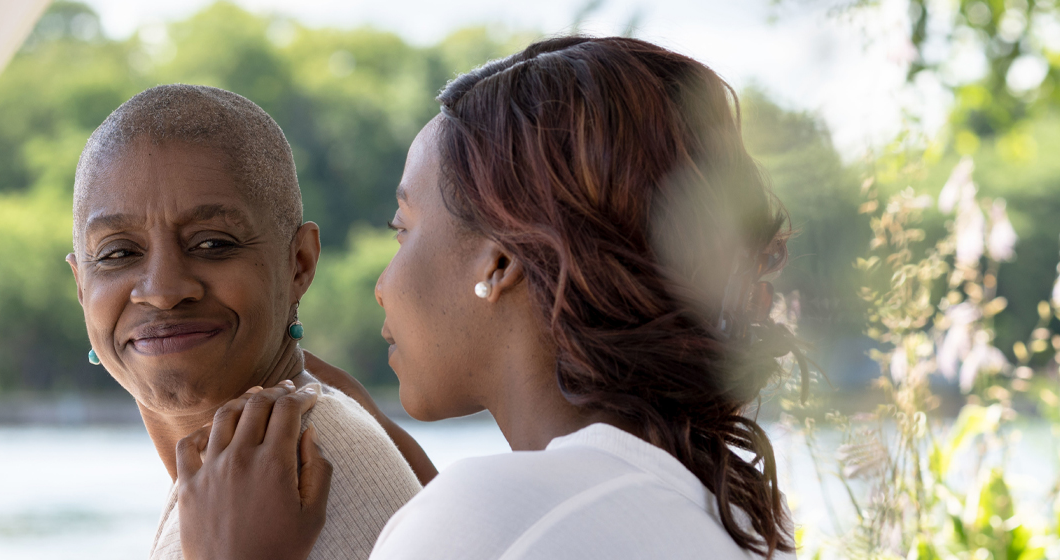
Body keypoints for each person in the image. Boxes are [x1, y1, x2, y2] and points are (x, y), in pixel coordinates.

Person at [172, 36, 803, 560]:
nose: (382, 286)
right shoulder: (722, 517)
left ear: (499, 261)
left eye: (404, 230)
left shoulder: (486, 518)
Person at [66, 84, 433, 560]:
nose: (162, 289)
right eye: (118, 253)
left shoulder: (304, 478)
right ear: (80, 288)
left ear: (298, 263)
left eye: (213, 244)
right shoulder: (238, 495)